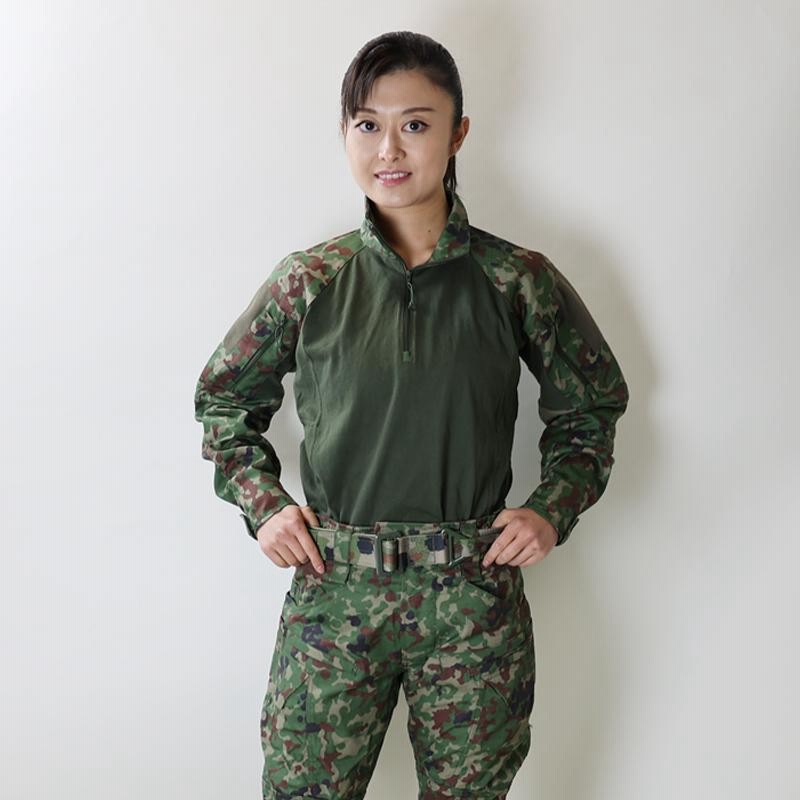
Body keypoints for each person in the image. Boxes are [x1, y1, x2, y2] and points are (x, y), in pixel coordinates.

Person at [194, 30, 629, 800]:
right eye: (368, 124)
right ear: (345, 133)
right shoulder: (310, 281)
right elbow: (225, 400)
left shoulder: (515, 281)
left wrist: (550, 510)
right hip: (334, 596)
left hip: (471, 605)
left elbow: (591, 406)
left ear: (458, 134)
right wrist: (265, 506)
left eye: (416, 124)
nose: (390, 148)